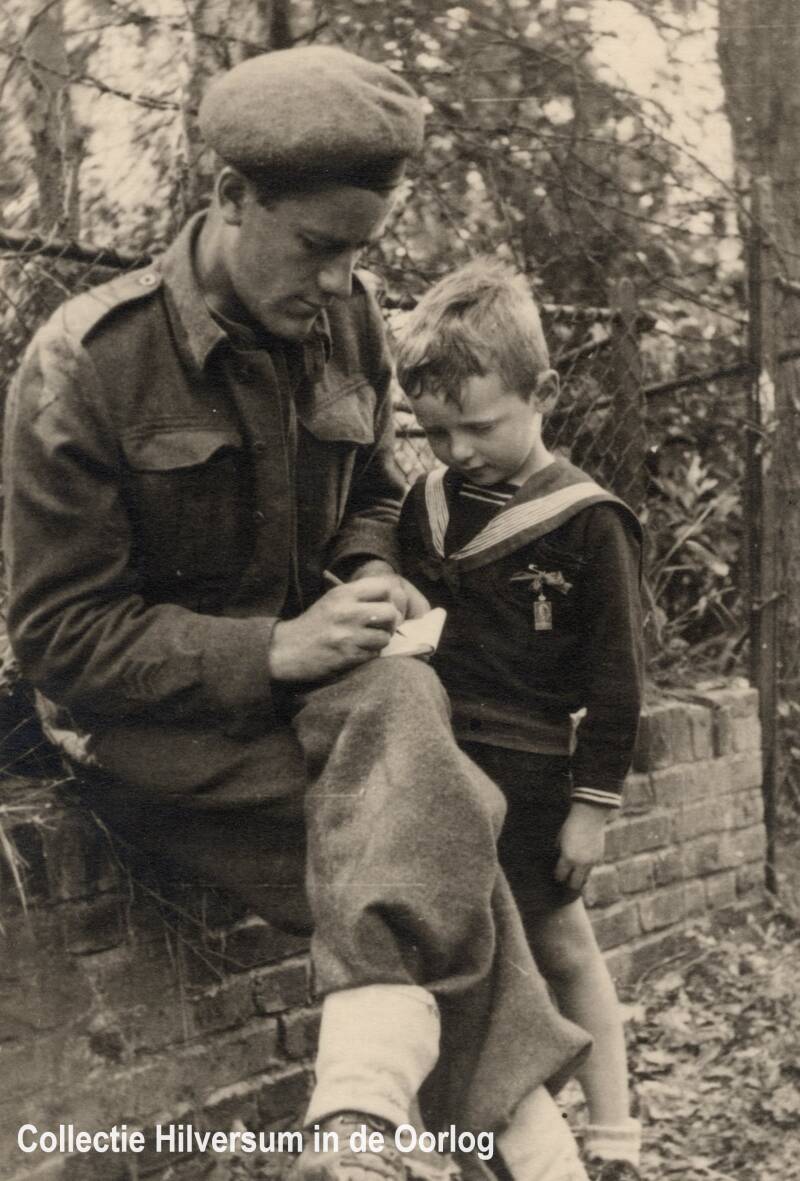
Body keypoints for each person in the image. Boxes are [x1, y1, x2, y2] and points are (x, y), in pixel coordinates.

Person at [2, 47, 595, 1181]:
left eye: (357, 251)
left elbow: (372, 486)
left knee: (404, 736)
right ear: (229, 198)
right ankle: (528, 1151)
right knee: (442, 823)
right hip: (149, 731)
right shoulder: (88, 362)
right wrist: (272, 647)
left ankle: (361, 1125)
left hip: (327, 710)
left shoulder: (350, 319)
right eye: (317, 246)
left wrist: (367, 568)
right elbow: (60, 640)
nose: (337, 281)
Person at [395, 259, 646, 1179]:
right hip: (437, 762)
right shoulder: (425, 507)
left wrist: (593, 807)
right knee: (457, 959)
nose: (457, 450)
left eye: (481, 426)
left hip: (536, 771)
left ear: (543, 392)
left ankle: (614, 1134)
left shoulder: (587, 521)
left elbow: (619, 681)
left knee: (561, 946)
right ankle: (470, 1138)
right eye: (436, 431)